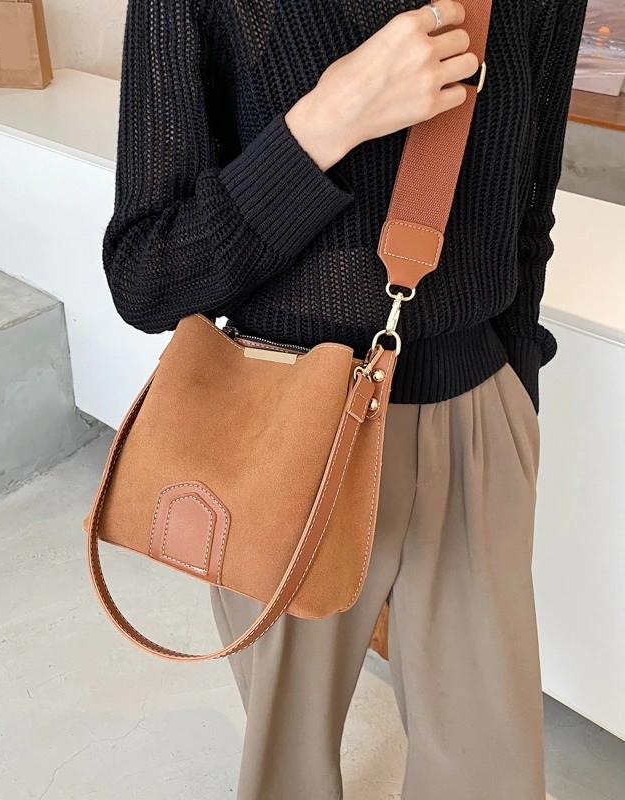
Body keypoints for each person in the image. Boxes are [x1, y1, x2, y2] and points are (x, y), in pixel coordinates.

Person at [100, 0, 587, 797]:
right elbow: (147, 276)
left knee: (491, 769)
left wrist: (516, 404)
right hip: (286, 433)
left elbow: (529, 213)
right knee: (286, 766)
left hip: (475, 421)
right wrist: (327, 123)